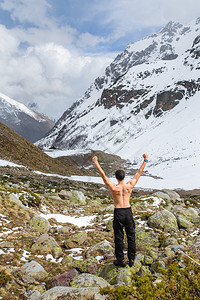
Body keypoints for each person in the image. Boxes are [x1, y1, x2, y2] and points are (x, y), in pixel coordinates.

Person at [92, 154, 148, 267]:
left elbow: (103, 175)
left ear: (116, 177)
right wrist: (145, 160)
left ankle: (120, 259)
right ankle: (131, 259)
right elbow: (139, 173)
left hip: (118, 212)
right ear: (124, 176)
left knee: (119, 236)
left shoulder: (113, 187)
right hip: (128, 211)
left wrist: (96, 162)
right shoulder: (129, 185)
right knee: (131, 235)